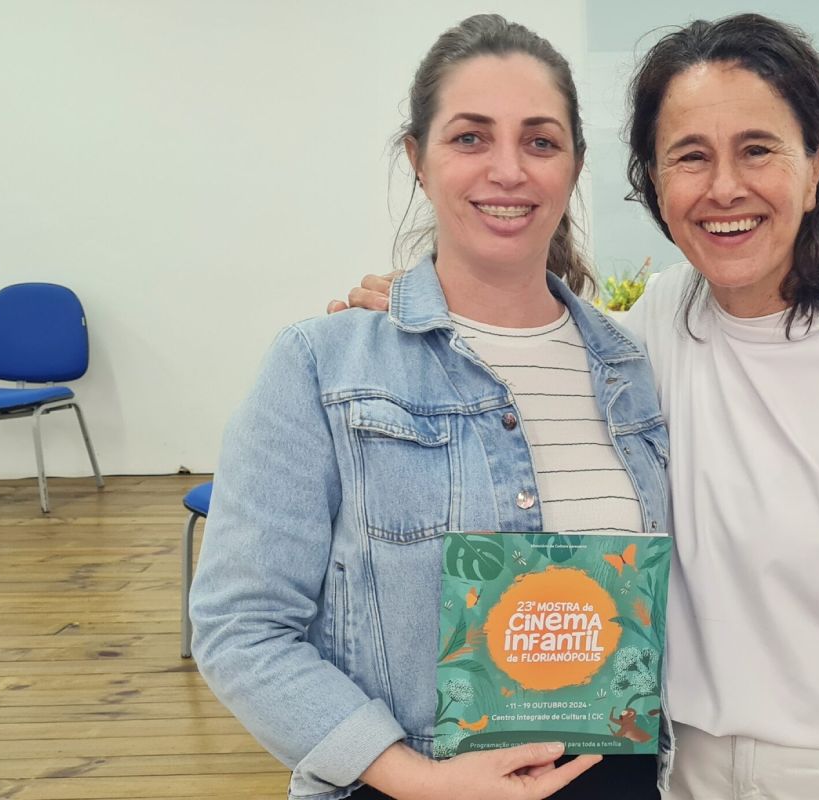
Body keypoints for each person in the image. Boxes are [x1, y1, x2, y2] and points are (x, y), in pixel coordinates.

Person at [336, 13, 819, 800]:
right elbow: (527, 353)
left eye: (758, 149)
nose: (724, 188)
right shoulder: (652, 324)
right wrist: (409, 312)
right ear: (653, 180)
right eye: (690, 156)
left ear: (816, 165)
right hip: (665, 763)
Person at [190, 14, 670, 800]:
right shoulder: (320, 365)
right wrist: (412, 777)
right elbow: (240, 628)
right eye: (470, 138)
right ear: (417, 158)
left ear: (576, 165)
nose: (508, 170)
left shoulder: (634, 370)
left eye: (541, 141)